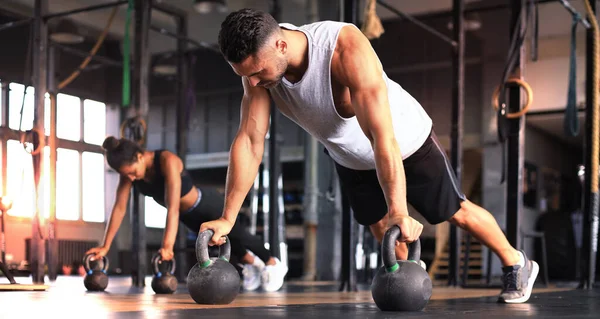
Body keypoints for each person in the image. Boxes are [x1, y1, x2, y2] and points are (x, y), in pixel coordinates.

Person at [201, 8, 539, 304]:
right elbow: (249, 140)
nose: (255, 82)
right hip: (347, 154)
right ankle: (407, 279)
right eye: (246, 76)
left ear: (281, 44)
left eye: (258, 72)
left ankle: (516, 263)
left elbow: (382, 136)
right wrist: (228, 218)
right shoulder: (257, 71)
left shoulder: (343, 49)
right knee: (379, 223)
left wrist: (399, 208)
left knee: (455, 212)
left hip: (404, 142)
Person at [85, 136, 288, 292]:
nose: (130, 177)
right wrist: (105, 246)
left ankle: (273, 263)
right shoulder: (129, 175)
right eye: (125, 175)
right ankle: (253, 265)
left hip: (205, 203)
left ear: (139, 156)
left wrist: (167, 246)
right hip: (188, 215)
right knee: (223, 243)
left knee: (240, 235)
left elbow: (172, 206)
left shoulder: (166, 160)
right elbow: (119, 208)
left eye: (131, 171)